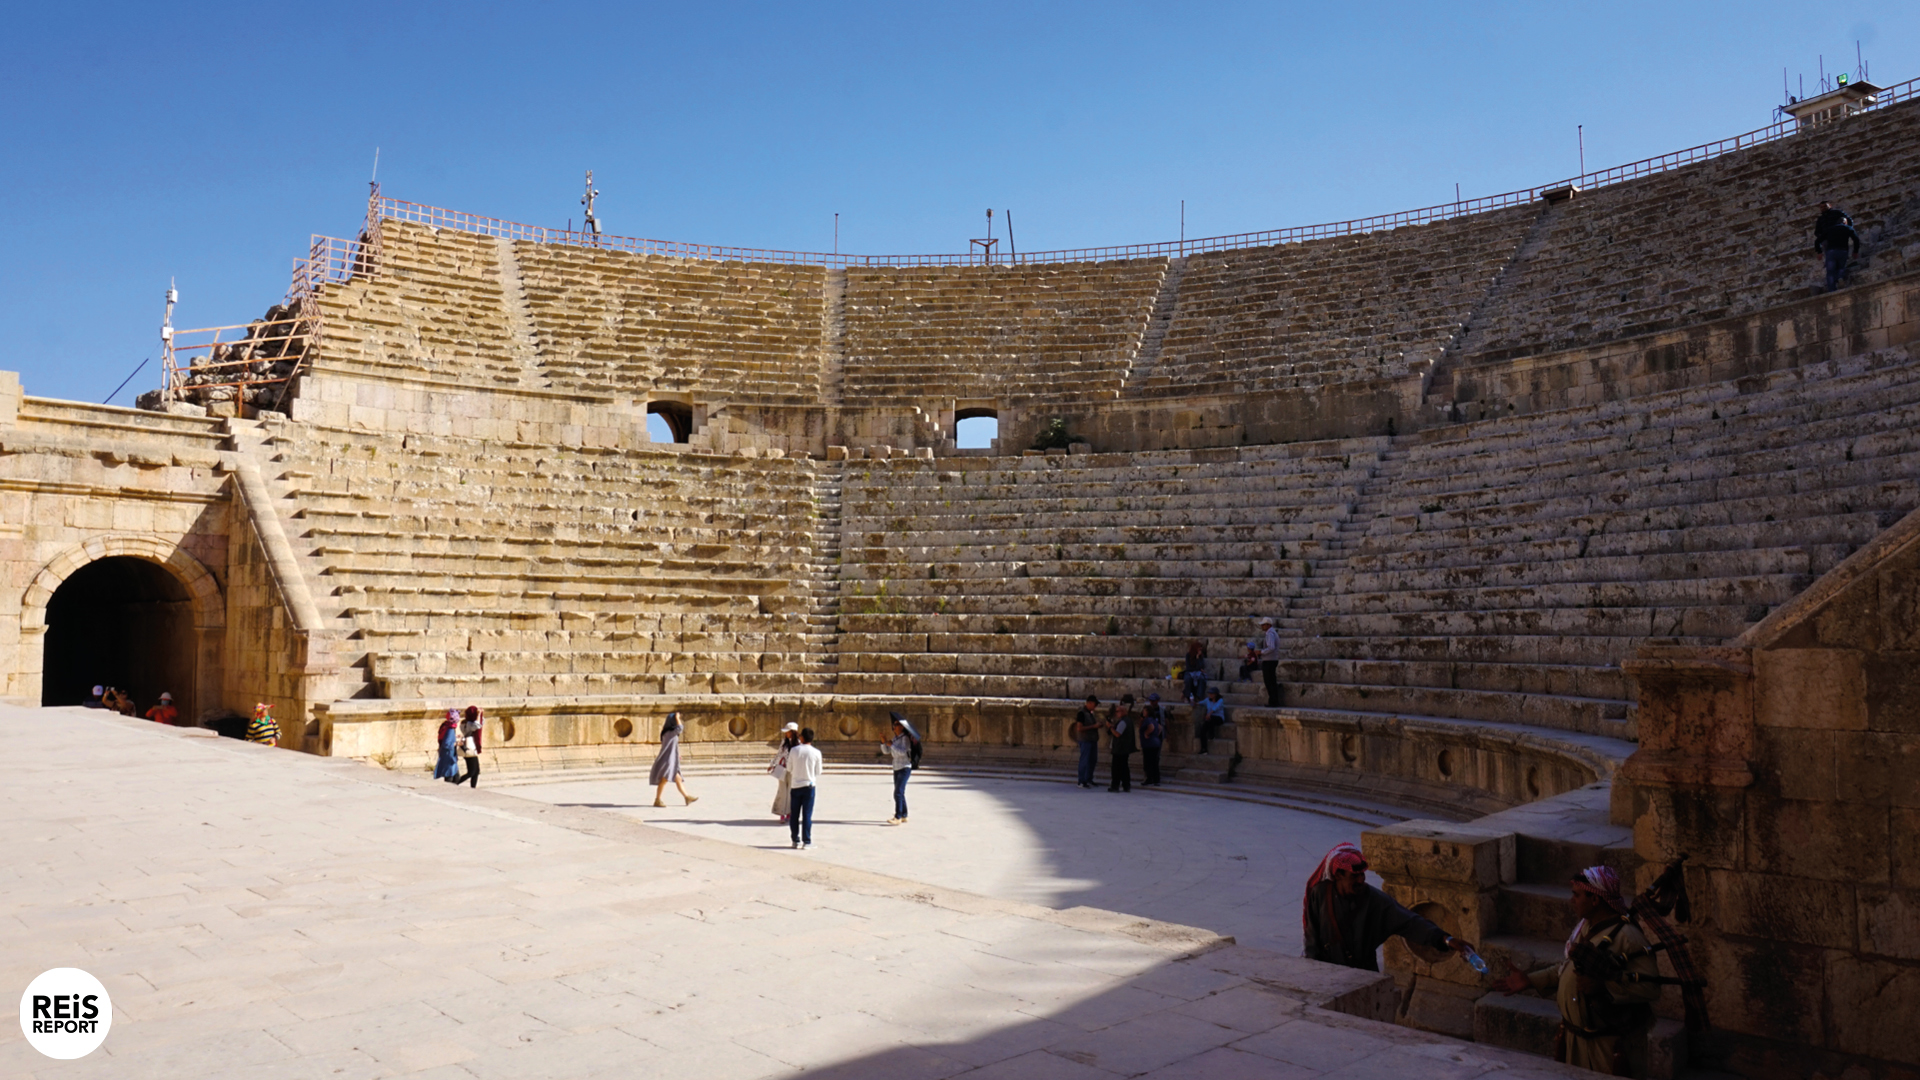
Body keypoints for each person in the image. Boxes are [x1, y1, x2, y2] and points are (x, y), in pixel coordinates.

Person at [1496, 866, 1663, 1077]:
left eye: (1576, 895)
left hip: (1607, 1046)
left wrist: (1604, 986)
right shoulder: (1587, 927)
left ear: (1595, 900)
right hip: (1575, 1041)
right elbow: (1569, 968)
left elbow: (1652, 987)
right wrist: (1530, 980)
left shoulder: (1628, 936)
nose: (1571, 900)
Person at [1302, 842, 1473, 971]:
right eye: (1354, 876)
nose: (1361, 880)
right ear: (1338, 875)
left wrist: (1446, 940)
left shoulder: (1374, 900)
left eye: (1362, 874)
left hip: (1361, 976)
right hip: (1326, 975)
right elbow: (1312, 939)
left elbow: (1411, 922)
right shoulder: (1320, 893)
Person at [649, 712, 698, 807]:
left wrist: (677, 754)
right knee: (664, 779)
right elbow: (680, 728)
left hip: (671, 758)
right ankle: (657, 800)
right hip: (668, 760)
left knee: (678, 778)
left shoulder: (668, 733)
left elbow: (671, 746)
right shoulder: (670, 733)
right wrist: (677, 717)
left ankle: (686, 797)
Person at [786, 727, 823, 849]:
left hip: (795, 785)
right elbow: (818, 771)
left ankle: (794, 840)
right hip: (809, 786)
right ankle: (806, 841)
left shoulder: (794, 750)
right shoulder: (817, 752)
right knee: (807, 815)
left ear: (801, 737)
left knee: (794, 815)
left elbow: (789, 768)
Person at [1812, 201, 1860, 292]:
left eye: (1825, 206)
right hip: (1833, 241)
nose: (1823, 208)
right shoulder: (1821, 219)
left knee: (1830, 266)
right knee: (1839, 263)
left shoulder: (1837, 213)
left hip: (1831, 239)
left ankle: (1832, 287)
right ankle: (1839, 277)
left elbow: (1848, 220)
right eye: (1821, 207)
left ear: (1830, 206)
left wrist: (1819, 249)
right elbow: (1817, 232)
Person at [882, 712, 920, 824]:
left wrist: (891, 745)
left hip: (904, 767)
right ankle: (904, 815)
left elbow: (903, 752)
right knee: (900, 792)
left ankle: (897, 817)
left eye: (897, 724)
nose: (895, 726)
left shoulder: (905, 739)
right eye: (894, 724)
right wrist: (883, 742)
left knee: (897, 793)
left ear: (902, 727)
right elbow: (886, 751)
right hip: (896, 767)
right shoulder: (895, 738)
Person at [1106, 695, 1137, 792]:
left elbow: (1118, 734)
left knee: (1116, 769)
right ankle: (1126, 785)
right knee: (1124, 768)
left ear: (1123, 712)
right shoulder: (1127, 720)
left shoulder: (1124, 722)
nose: (1116, 713)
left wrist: (1110, 727)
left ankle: (1115, 786)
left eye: (1117, 711)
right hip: (1124, 749)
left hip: (1120, 749)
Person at [769, 722, 799, 821]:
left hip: (793, 770)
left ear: (792, 732)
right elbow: (779, 754)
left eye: (788, 732)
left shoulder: (798, 743)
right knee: (782, 791)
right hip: (783, 768)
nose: (786, 734)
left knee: (791, 791)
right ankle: (782, 813)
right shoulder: (784, 742)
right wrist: (772, 765)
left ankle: (789, 812)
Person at [1071, 696, 1103, 788]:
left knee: (1092, 760)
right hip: (1085, 740)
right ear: (1089, 703)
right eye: (1095, 704)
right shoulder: (1081, 713)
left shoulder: (1090, 713)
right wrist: (1094, 726)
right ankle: (1081, 781)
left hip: (1092, 740)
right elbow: (1079, 728)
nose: (1095, 706)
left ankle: (1089, 779)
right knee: (1084, 760)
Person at [1139, 694, 1166, 788]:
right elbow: (1160, 727)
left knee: (1148, 762)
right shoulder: (1154, 719)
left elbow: (1151, 727)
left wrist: (1147, 734)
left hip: (1149, 744)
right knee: (1154, 761)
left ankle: (1149, 779)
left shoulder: (1148, 720)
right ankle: (1155, 780)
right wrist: (1155, 736)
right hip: (1155, 743)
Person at [453, 705, 483, 788]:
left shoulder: (464, 723)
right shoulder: (469, 724)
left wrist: (480, 714)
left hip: (470, 748)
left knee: (476, 771)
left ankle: (473, 788)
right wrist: (478, 715)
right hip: (469, 748)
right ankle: (456, 783)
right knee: (472, 772)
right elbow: (477, 725)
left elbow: (480, 723)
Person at [1257, 617, 1283, 707]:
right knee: (1271, 681)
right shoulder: (1272, 633)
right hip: (1272, 660)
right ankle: (1273, 701)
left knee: (1269, 682)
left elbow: (1271, 647)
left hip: (1269, 660)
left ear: (1268, 625)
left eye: (1263, 624)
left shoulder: (1270, 634)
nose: (1262, 626)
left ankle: (1273, 702)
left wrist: (1261, 652)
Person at [1197, 687, 1228, 754]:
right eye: (1209, 693)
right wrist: (1194, 703)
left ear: (1216, 694)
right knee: (1203, 730)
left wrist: (1209, 713)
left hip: (1218, 718)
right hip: (1210, 718)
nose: (1210, 695)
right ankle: (1204, 749)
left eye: (1212, 693)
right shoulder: (1207, 700)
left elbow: (1216, 708)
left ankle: (1212, 734)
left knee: (1210, 720)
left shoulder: (1220, 700)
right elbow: (1201, 703)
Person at [434, 709, 461, 782]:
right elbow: (447, 744)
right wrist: (457, 743)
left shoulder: (445, 725)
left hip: (446, 755)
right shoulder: (450, 729)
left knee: (455, 776)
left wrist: (455, 737)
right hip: (449, 756)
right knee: (451, 776)